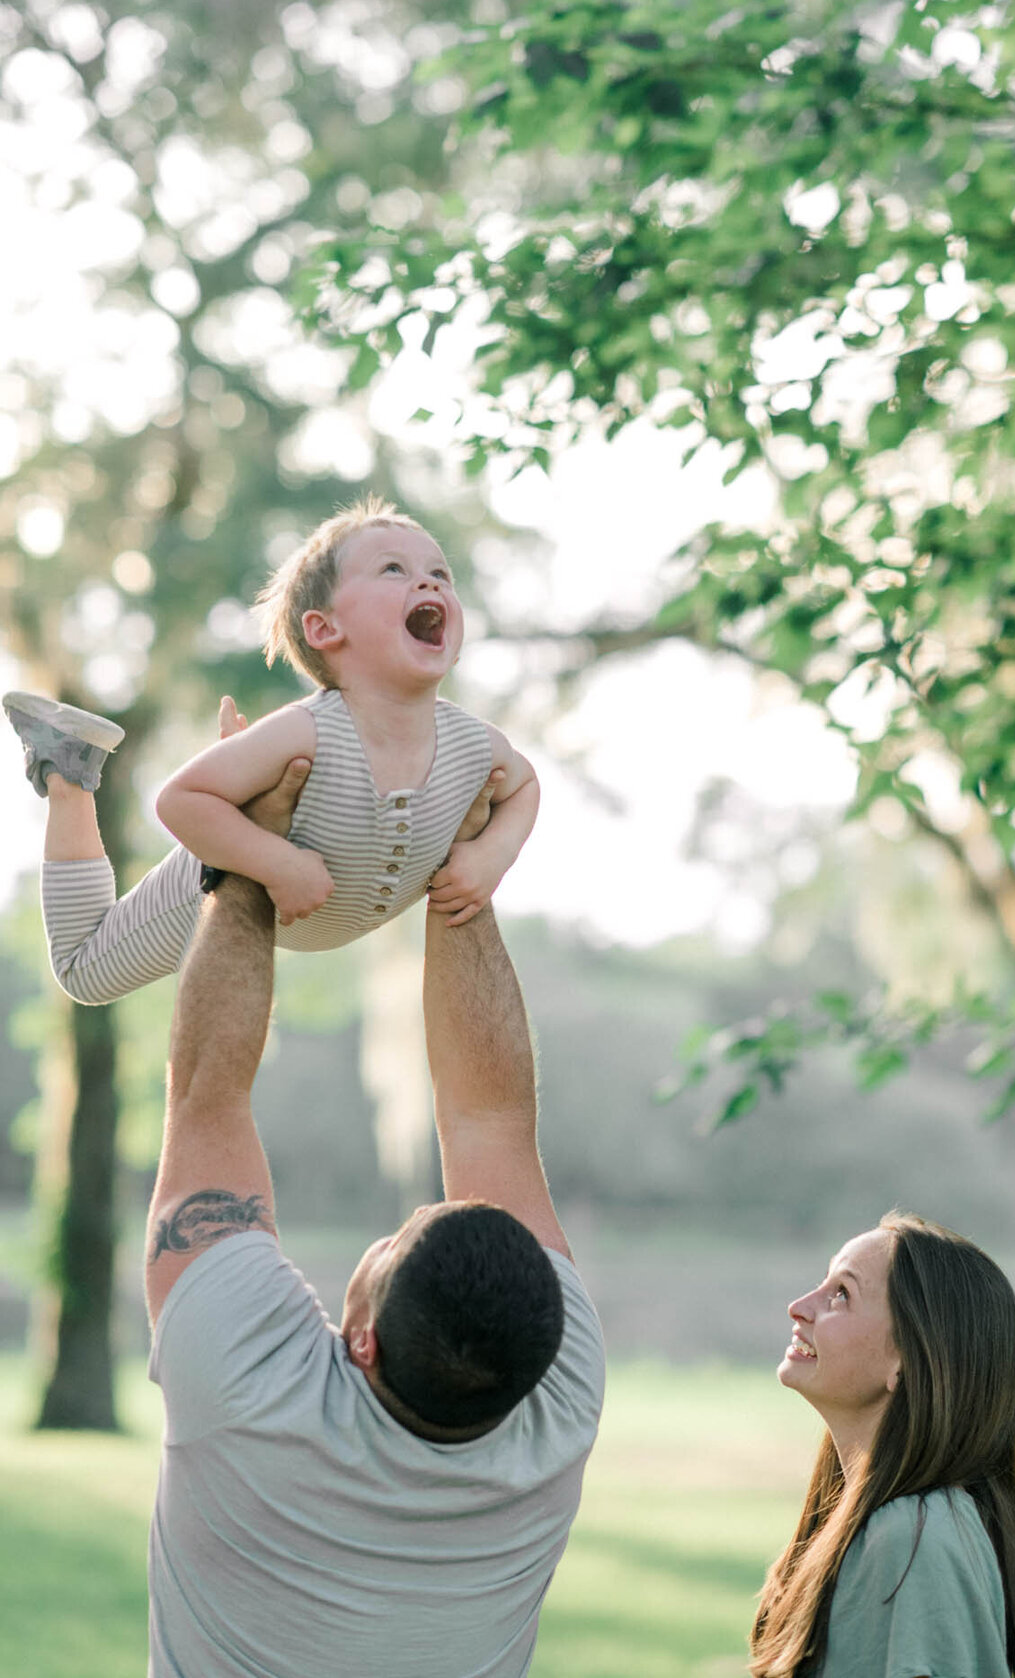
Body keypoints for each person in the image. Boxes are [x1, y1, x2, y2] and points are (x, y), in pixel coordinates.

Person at [144, 757, 604, 1677]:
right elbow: (492, 1121)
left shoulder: (245, 1389)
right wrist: (459, 868)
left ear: (362, 1340)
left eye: (391, 1245)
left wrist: (254, 850)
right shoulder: (555, 1405)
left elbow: (209, 1101)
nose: (388, 1232)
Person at [3, 498, 537, 1005]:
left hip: (311, 920)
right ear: (325, 628)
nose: (428, 581)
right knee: (85, 972)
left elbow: (525, 787)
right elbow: (180, 800)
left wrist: (494, 855)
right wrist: (277, 864)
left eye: (440, 574)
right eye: (393, 570)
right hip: (216, 877)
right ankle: (69, 770)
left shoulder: (473, 743)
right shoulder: (307, 732)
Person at [750, 1213, 1015, 1678]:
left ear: (906, 1360)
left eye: (842, 1294)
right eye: (823, 1282)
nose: (799, 1306)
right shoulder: (907, 1526)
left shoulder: (916, 1538)